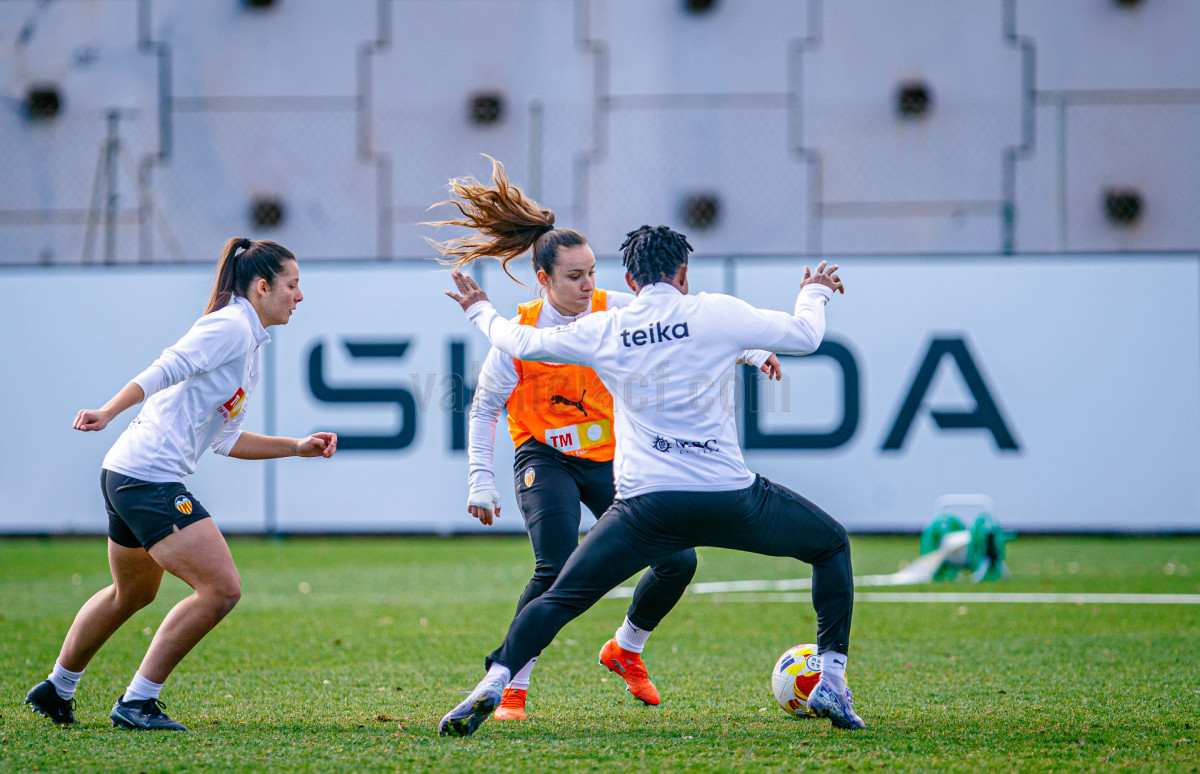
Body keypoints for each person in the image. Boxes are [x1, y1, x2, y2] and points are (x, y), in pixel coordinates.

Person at [438, 225, 863, 737]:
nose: (586, 284)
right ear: (682, 272)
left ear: (629, 280)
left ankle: (498, 678)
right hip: (728, 497)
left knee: (561, 594)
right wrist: (814, 292)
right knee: (830, 544)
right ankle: (832, 680)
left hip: (647, 507)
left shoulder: (608, 326)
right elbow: (806, 335)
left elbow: (519, 340)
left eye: (592, 275)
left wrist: (479, 309)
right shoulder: (716, 311)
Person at [426, 158, 782, 720]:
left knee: (679, 560)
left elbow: (687, 327)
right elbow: (484, 407)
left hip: (611, 458)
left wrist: (753, 350)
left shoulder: (615, 309)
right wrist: (480, 480)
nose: (589, 285)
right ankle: (513, 683)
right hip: (545, 457)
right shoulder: (519, 333)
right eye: (575, 276)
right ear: (543, 279)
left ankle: (626, 648)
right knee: (554, 567)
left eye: (592, 272)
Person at [23, 238, 338, 731]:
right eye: (292, 285)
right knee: (221, 590)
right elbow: (165, 368)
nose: (299, 296)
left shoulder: (249, 342)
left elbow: (225, 440)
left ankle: (56, 689)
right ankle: (137, 702)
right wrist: (108, 410)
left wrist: (295, 446)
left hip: (125, 474)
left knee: (131, 593)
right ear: (262, 287)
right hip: (146, 478)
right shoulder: (231, 326)